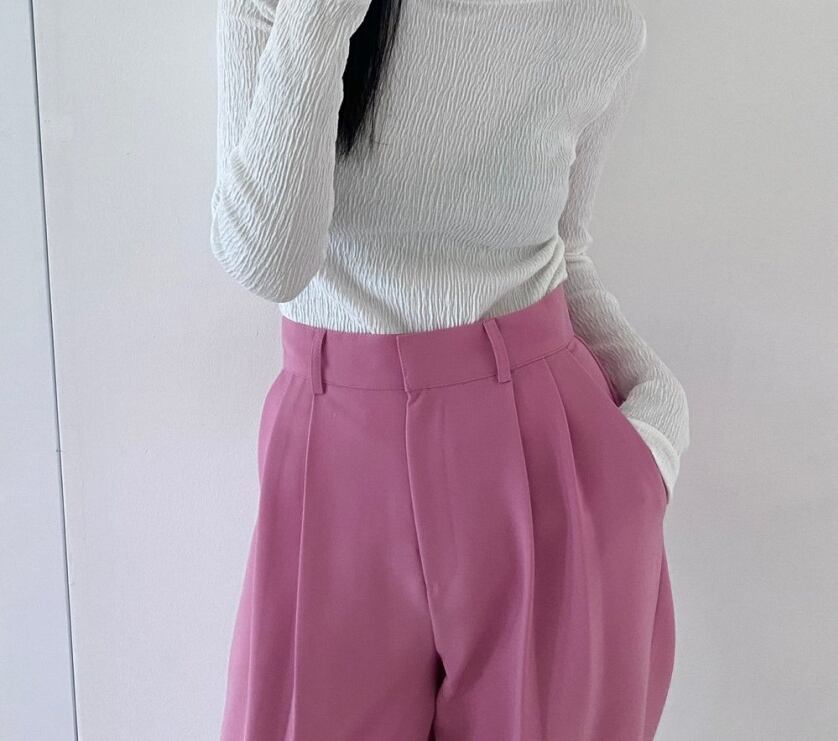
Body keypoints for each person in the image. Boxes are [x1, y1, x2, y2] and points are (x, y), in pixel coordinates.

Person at [210, 0, 690, 737]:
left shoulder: (598, 21)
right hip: (332, 454)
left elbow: (565, 249)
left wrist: (657, 413)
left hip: (538, 450)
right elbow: (268, 261)